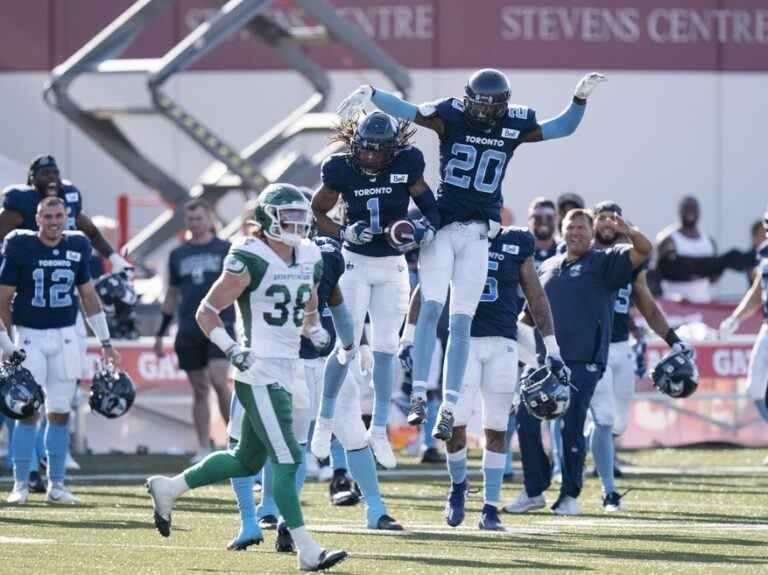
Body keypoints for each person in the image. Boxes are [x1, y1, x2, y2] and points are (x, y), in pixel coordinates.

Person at [336, 69, 606, 442]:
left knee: (462, 319)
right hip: (444, 225)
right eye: (478, 104)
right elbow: (410, 111)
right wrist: (374, 94)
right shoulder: (451, 115)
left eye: (491, 106)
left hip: (479, 232)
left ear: (503, 106)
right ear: (468, 99)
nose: (482, 112)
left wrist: (579, 100)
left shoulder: (513, 124)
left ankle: (447, 407)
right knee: (433, 306)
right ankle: (417, 394)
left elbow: (563, 128)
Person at [145, 184, 347, 572]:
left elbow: (308, 302)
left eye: (301, 217)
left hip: (289, 368)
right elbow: (207, 311)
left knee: (245, 459)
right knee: (288, 458)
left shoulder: (309, 255)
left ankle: (169, 487)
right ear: (269, 218)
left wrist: (313, 328)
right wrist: (232, 348)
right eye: (289, 217)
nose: (297, 224)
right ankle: (307, 550)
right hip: (259, 369)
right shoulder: (248, 256)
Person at [404, 225, 562, 530]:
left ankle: (490, 507)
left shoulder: (517, 241)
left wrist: (551, 346)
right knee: (455, 425)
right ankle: (458, 486)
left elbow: (535, 294)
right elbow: (426, 287)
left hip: (503, 343)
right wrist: (408, 335)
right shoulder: (454, 236)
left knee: (497, 428)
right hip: (464, 343)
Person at [311, 112, 440, 468]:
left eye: (377, 152)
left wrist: (422, 229)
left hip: (393, 265)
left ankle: (380, 429)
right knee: (347, 344)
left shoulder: (407, 164)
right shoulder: (339, 169)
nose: (369, 158)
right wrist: (342, 232)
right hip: (354, 262)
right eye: (365, 150)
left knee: (387, 349)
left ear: (392, 150)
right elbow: (316, 212)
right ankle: (324, 422)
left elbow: (431, 207)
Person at [505, 208, 651, 516]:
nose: (576, 233)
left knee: (571, 426)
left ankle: (570, 495)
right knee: (525, 419)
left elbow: (643, 250)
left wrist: (629, 229)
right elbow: (530, 314)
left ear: (592, 232)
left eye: (582, 228)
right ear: (562, 231)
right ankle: (534, 489)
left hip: (584, 361)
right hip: (546, 362)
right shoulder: (548, 266)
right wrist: (514, 343)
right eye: (570, 228)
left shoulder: (606, 263)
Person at [1, 196, 119, 505]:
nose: (53, 221)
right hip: (29, 336)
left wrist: (106, 342)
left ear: (66, 218)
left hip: (67, 335)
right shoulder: (19, 244)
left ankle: (56, 485)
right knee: (26, 411)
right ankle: (21, 484)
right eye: (47, 216)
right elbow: (3, 298)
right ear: (37, 219)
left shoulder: (78, 245)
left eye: (58, 216)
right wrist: (8, 344)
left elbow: (89, 295)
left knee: (60, 411)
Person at [589, 201, 693, 511]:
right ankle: (608, 490)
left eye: (614, 218)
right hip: (593, 348)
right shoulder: (583, 255)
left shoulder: (627, 259)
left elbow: (646, 304)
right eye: (602, 218)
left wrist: (672, 339)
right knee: (604, 420)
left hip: (621, 346)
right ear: (594, 222)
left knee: (618, 422)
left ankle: (590, 440)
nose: (608, 223)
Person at [154, 200, 234, 463]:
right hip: (188, 326)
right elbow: (172, 294)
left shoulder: (226, 249)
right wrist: (161, 332)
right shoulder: (178, 254)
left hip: (220, 323)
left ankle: (235, 440)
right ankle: (203, 446)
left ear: (209, 218)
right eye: (190, 219)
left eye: (199, 218)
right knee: (199, 389)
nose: (194, 223)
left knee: (219, 381)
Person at [720, 209, 768, 464]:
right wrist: (736, 318)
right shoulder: (764, 252)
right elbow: (758, 290)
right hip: (767, 326)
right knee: (755, 388)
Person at [656, 197, 718, 303]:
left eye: (694, 208)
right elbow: (655, 273)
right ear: (680, 211)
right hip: (674, 303)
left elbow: (715, 276)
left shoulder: (709, 241)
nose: (690, 212)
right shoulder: (668, 239)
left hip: (702, 302)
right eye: (687, 208)